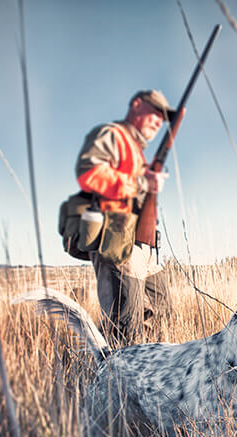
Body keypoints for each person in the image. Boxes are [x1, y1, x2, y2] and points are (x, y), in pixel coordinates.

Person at [75, 90, 173, 346]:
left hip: (146, 247)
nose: (158, 121)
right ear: (136, 105)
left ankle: (150, 379)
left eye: (163, 118)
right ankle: (112, 382)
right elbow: (90, 173)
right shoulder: (112, 135)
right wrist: (142, 182)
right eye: (154, 112)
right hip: (118, 241)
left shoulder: (136, 151)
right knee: (125, 330)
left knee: (162, 315)